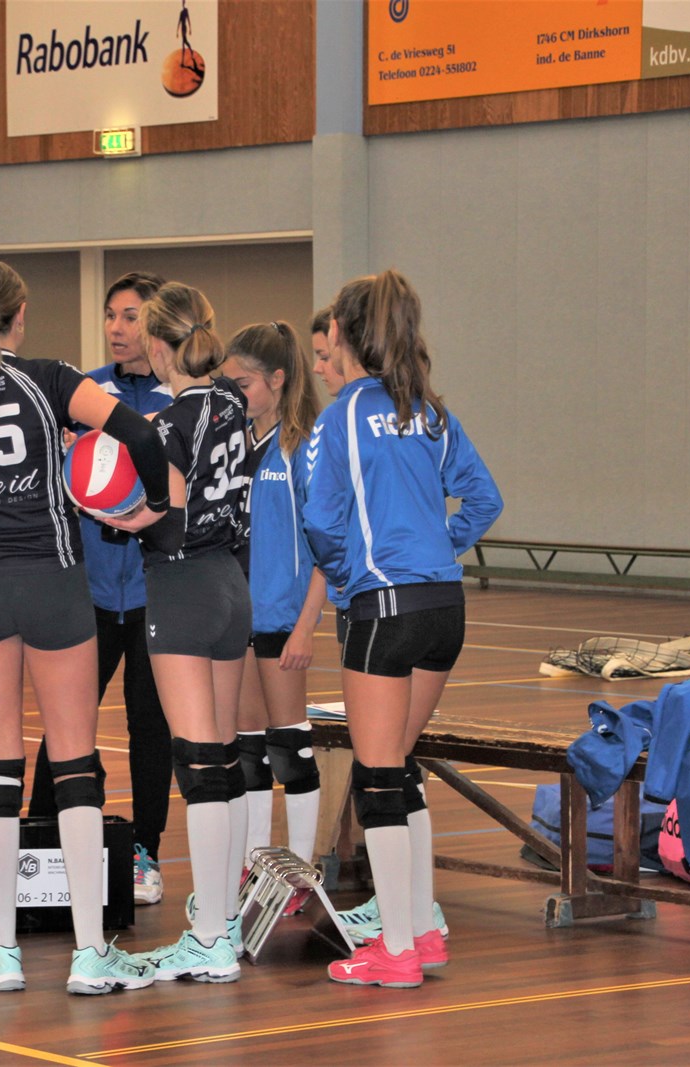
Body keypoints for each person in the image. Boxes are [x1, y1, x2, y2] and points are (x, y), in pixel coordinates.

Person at [0, 258, 170, 994]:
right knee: (74, 760)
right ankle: (90, 952)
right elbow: (140, 437)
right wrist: (149, 511)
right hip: (56, 587)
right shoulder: (53, 380)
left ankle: (2, 951)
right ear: (19, 314)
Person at [303, 269, 502, 988]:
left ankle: (395, 949)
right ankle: (421, 929)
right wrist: (440, 547)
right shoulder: (429, 412)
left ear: (343, 334)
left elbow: (320, 519)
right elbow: (484, 499)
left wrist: (349, 577)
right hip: (444, 605)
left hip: (383, 606)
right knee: (401, 766)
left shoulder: (340, 418)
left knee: (379, 773)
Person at [109, 282, 250, 984]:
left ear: (158, 345)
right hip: (230, 584)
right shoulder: (234, 405)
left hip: (182, 586)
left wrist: (104, 508)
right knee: (223, 756)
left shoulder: (166, 424)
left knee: (196, 765)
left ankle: (210, 937)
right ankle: (225, 916)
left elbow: (160, 513)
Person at [28, 270, 175, 907]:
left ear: (158, 323)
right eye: (111, 315)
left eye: (131, 316)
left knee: (152, 727)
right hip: (86, 592)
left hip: (152, 592)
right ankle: (36, 847)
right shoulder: (83, 392)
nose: (117, 327)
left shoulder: (180, 398)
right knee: (65, 724)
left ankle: (145, 851)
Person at [223, 322, 325, 904]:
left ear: (278, 379)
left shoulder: (304, 448)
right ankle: (256, 864)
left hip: (283, 616)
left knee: (290, 745)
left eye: (244, 384)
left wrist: (306, 626)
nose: (235, 394)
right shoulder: (236, 443)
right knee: (248, 747)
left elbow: (328, 548)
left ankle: (302, 873)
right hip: (237, 612)